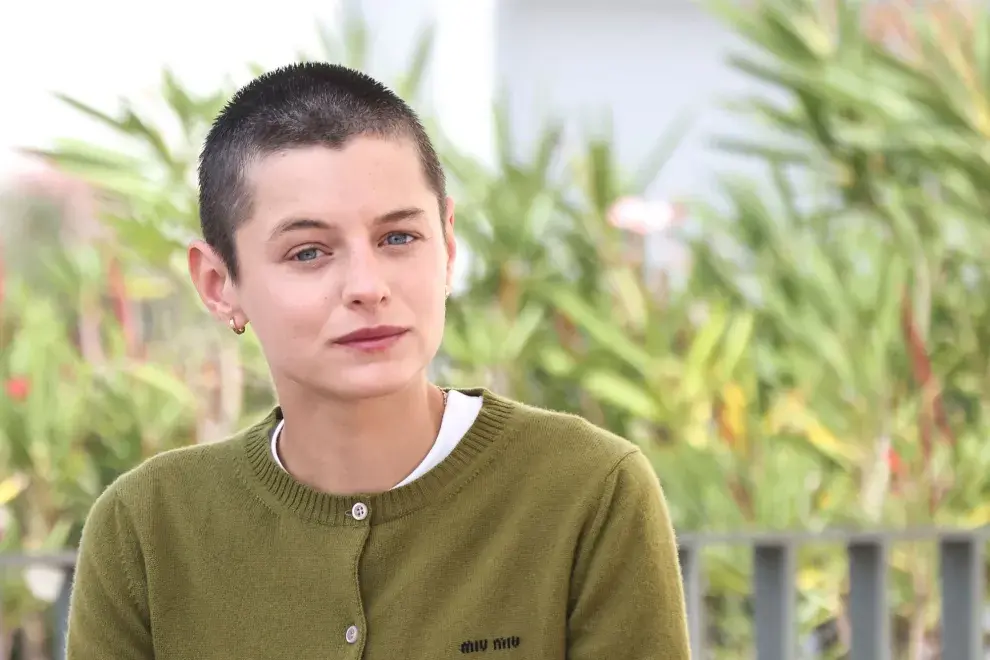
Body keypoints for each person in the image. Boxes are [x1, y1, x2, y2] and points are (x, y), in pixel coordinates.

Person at [65, 62, 691, 659]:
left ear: (447, 246)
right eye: (308, 251)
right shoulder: (144, 530)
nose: (367, 285)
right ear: (218, 282)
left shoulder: (589, 490)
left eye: (399, 238)